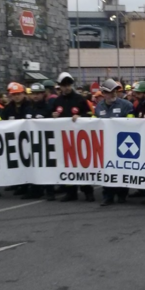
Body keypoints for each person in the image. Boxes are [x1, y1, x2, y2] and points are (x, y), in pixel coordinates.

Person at [52, 72, 94, 202]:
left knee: (82, 165)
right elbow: (49, 118)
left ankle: (88, 191)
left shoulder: (79, 99)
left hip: (79, 139)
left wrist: (81, 117)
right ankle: (71, 192)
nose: (67, 88)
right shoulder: (57, 101)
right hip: (64, 140)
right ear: (60, 86)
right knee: (67, 165)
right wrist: (52, 116)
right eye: (64, 85)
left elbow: (90, 115)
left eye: (68, 85)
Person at [94, 79, 134, 206]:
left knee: (122, 169)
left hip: (122, 143)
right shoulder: (99, 107)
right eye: (110, 92)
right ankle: (108, 196)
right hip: (105, 145)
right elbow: (93, 124)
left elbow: (132, 124)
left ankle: (122, 194)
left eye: (115, 91)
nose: (113, 94)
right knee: (107, 170)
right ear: (104, 93)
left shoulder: (126, 105)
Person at [20, 82, 56, 201]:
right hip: (30, 143)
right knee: (32, 166)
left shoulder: (48, 109)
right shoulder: (27, 109)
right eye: (33, 94)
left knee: (47, 167)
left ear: (43, 94)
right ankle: (35, 189)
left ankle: (50, 190)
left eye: (38, 94)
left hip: (45, 143)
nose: (35, 96)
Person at [1, 82, 32, 195]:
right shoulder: (8, 108)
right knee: (17, 164)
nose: (16, 96)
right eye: (14, 94)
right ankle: (19, 184)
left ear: (23, 94)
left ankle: (28, 185)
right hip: (14, 142)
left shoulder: (29, 106)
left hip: (28, 141)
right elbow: (0, 121)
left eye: (18, 94)